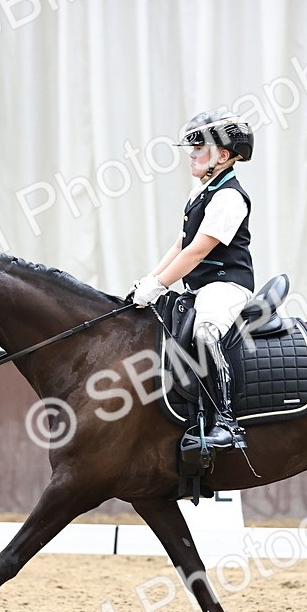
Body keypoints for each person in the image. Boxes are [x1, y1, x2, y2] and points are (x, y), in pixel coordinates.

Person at [132, 109, 255, 449]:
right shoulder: (200, 191)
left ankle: (227, 422)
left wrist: (159, 285)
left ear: (224, 156)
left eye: (200, 148)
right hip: (199, 286)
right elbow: (180, 244)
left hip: (226, 285)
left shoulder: (229, 197)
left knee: (206, 331)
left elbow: (197, 251)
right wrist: (151, 279)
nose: (192, 154)